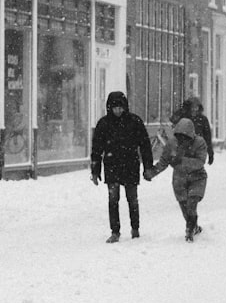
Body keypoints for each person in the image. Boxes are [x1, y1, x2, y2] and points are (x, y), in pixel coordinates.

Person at [90, 91, 154, 243]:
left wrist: (148, 166)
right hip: (112, 166)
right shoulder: (103, 124)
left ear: (125, 107)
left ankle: (135, 228)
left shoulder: (134, 122)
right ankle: (115, 231)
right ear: (109, 108)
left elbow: (145, 145)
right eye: (115, 108)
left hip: (131, 165)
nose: (118, 111)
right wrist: (95, 170)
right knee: (113, 199)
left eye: (121, 108)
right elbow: (97, 149)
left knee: (132, 199)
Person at [144, 118, 209, 242]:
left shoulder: (200, 143)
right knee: (184, 207)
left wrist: (182, 160)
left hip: (197, 177)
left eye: (185, 137)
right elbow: (164, 161)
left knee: (191, 204)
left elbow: (200, 162)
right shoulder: (172, 144)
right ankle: (193, 226)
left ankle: (189, 230)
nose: (182, 140)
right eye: (180, 137)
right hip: (179, 179)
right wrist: (152, 173)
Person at [170, 96, 215, 165]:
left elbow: (207, 136)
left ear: (199, 108)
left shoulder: (203, 119)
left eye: (196, 107)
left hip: (198, 149)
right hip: (184, 149)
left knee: (196, 169)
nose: (194, 110)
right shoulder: (183, 117)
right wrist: (182, 110)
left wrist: (210, 152)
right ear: (188, 108)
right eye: (192, 107)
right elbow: (173, 119)